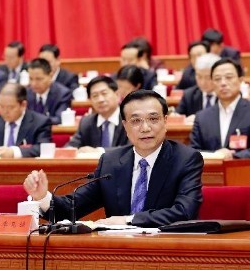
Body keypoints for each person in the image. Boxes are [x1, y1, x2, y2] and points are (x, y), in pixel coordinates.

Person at [23, 90, 204, 227]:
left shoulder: (186, 159)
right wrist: (43, 197)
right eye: (136, 121)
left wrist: (127, 220)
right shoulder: (111, 162)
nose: (145, 128)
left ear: (166, 121)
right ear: (125, 126)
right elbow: (73, 208)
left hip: (167, 249)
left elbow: (184, 212)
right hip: (118, 248)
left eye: (153, 119)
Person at [189, 58, 250, 227]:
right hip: (209, 185)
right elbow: (193, 151)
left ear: (241, 80)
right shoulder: (202, 117)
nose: (223, 83)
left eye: (229, 77)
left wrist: (232, 155)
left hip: (249, 183)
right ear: (212, 83)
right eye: (218, 79)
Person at [0, 83, 52, 158]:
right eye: (1, 106)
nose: (5, 111)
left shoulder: (40, 122)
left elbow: (43, 148)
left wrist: (14, 152)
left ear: (23, 105)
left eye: (10, 107)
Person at [66, 76, 129, 151]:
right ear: (90, 100)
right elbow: (71, 147)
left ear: (117, 95)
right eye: (95, 96)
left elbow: (132, 148)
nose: (100, 99)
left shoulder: (129, 119)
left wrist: (99, 151)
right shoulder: (86, 123)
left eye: (104, 93)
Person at [26, 58, 72, 125]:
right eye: (31, 79)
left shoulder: (63, 94)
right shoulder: (26, 93)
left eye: (38, 79)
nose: (33, 83)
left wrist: (34, 121)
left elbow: (59, 119)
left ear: (50, 76)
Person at [176, 53, 220, 117]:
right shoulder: (189, 95)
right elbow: (178, 116)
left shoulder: (225, 94)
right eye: (199, 76)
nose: (203, 82)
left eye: (208, 78)